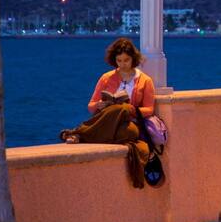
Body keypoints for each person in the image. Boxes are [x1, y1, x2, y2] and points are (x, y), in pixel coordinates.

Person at [60, 37, 156, 188]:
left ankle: (80, 133)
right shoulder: (106, 78)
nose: (123, 64)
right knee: (118, 111)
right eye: (119, 61)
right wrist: (100, 104)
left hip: (129, 122)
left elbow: (149, 109)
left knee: (125, 117)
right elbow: (91, 106)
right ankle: (86, 132)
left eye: (126, 60)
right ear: (114, 60)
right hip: (106, 120)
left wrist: (130, 109)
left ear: (133, 59)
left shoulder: (145, 81)